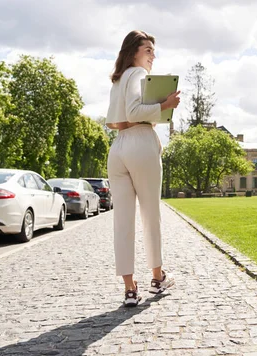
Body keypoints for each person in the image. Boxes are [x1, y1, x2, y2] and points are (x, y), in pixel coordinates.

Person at [105, 30, 181, 307]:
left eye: (153, 51)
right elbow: (136, 112)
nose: (152, 56)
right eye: (147, 50)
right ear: (133, 51)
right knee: (151, 214)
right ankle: (158, 277)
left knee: (122, 220)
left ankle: (129, 288)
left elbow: (114, 121)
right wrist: (165, 105)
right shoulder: (137, 75)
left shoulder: (118, 79)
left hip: (118, 148)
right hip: (140, 143)